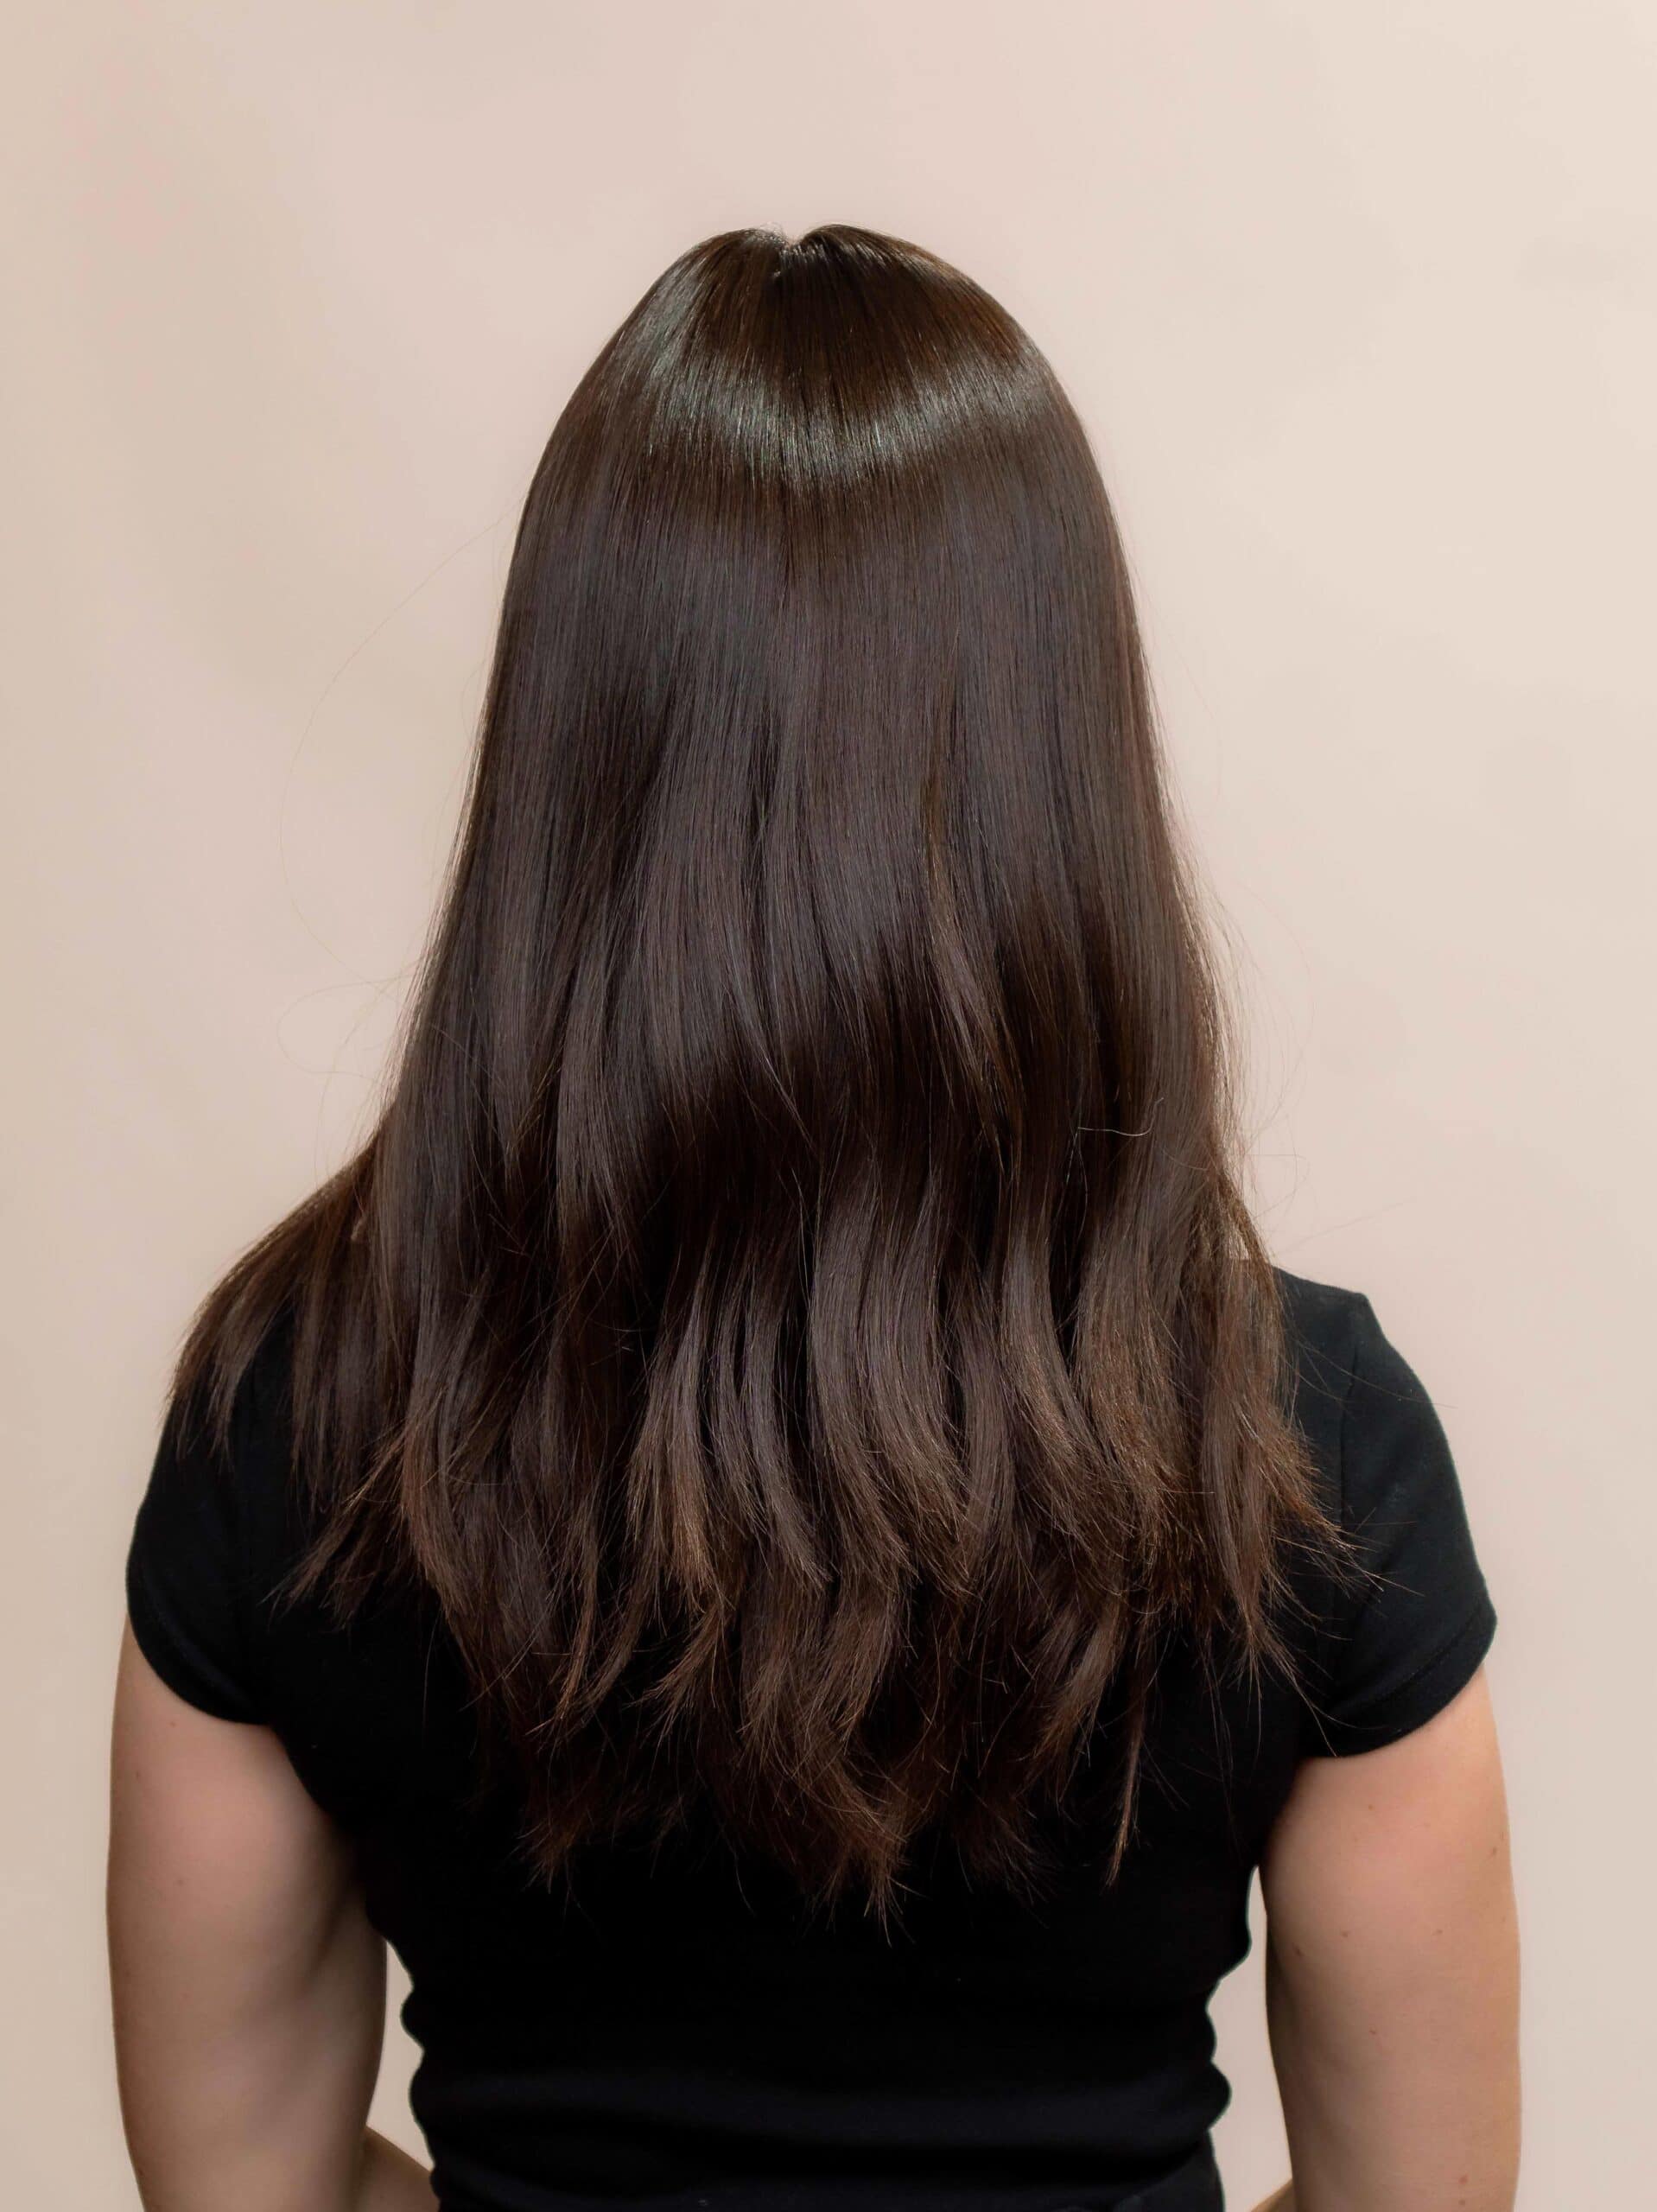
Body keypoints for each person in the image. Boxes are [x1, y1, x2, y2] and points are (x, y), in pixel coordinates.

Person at [108, 225, 1520, 2212]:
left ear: (569, 754)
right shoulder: (1307, 1439)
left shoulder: (294, 1412)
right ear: (1058, 755)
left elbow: (240, 2177)